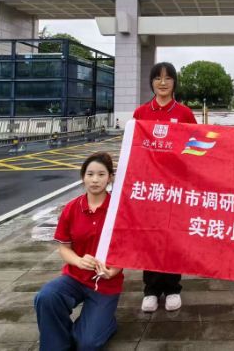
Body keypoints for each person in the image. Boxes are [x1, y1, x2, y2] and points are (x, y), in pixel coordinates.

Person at [34, 152, 123, 351]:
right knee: (46, 297)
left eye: (101, 174)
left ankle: (107, 323)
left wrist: (113, 271)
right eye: (90, 174)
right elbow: (64, 248)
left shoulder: (118, 210)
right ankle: (56, 344)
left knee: (87, 343)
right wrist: (79, 261)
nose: (95, 179)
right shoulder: (72, 208)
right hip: (75, 278)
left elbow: (127, 248)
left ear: (110, 178)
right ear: (83, 177)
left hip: (105, 283)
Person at [132, 61, 197, 313]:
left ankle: (172, 288)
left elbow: (196, 148)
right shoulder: (141, 113)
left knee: (171, 237)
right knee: (150, 237)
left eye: (168, 78)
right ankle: (150, 290)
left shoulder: (184, 113)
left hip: (175, 187)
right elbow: (134, 149)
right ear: (151, 82)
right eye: (158, 78)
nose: (162, 83)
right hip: (149, 188)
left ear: (174, 83)